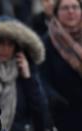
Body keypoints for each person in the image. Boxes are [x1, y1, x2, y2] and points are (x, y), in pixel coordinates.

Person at [0, 20, 52, 131]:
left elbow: (41, 113)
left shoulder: (25, 70)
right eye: (1, 43)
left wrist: (28, 78)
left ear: (16, 47)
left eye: (10, 44)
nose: (5, 49)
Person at [40, 0, 82, 130]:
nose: (71, 11)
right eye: (65, 8)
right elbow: (42, 79)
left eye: (75, 7)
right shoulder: (46, 42)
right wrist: (54, 98)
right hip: (64, 116)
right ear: (56, 13)